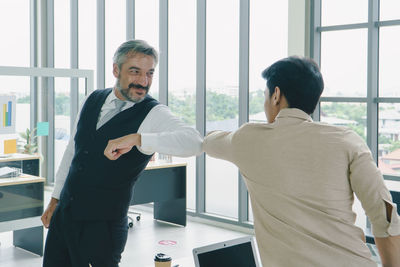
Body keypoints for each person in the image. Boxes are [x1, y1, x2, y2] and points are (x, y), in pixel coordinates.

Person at [202, 56, 400, 266]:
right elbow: (385, 217)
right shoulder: (347, 140)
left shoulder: (248, 139)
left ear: (276, 95)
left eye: (266, 96)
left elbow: (208, 142)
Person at [41, 40, 202, 266]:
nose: (143, 82)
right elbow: (72, 153)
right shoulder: (93, 98)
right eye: (135, 72)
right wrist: (54, 201)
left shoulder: (153, 113)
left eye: (149, 73)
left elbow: (194, 141)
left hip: (103, 227)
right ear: (116, 69)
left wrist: (139, 138)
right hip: (65, 215)